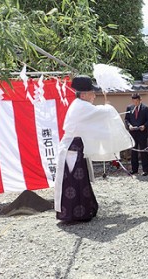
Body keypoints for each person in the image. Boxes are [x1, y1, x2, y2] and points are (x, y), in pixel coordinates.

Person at [54, 75, 133, 223]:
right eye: (91, 93)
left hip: (75, 147)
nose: (94, 95)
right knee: (74, 181)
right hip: (73, 148)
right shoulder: (81, 106)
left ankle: (83, 210)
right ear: (83, 94)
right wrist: (108, 107)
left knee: (79, 180)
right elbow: (100, 114)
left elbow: (95, 117)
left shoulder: (80, 105)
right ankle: (75, 213)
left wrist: (105, 109)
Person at [125, 93, 148, 176]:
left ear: (140, 100)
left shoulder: (146, 108)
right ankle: (134, 169)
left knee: (143, 151)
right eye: (133, 101)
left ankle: (146, 169)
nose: (135, 103)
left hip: (142, 132)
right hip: (133, 132)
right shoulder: (129, 108)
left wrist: (144, 126)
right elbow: (126, 119)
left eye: (136, 101)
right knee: (134, 151)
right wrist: (129, 126)